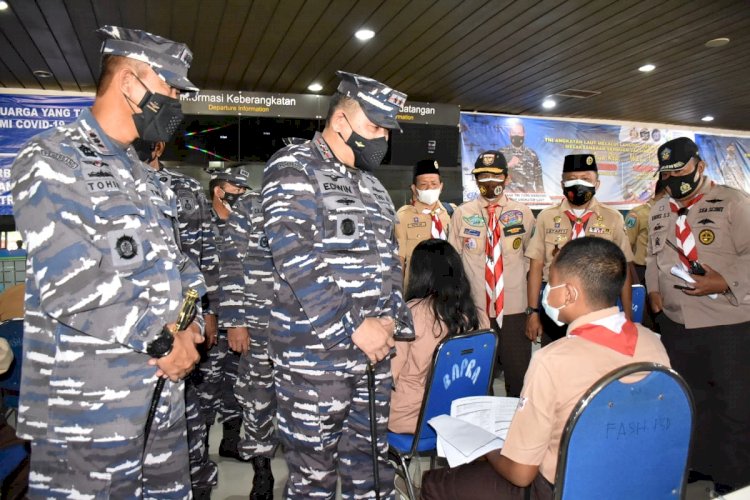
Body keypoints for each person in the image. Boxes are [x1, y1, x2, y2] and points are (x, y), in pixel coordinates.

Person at [10, 25, 205, 498]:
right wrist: (163, 342)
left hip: (160, 394)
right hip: (89, 407)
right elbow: (71, 283)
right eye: (170, 88)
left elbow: (182, 268)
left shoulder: (145, 175)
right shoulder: (53, 158)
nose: (176, 101)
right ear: (129, 83)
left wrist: (191, 324)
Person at [421, 237, 671, 500]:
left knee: (435, 483)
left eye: (550, 283)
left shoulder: (552, 360)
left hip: (564, 488)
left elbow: (521, 474)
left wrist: (488, 450)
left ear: (569, 293)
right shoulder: (652, 345)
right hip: (634, 482)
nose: (545, 292)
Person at [261, 70, 414, 498]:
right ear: (341, 121)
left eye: (386, 129)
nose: (381, 137)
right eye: (374, 126)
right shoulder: (293, 168)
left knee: (371, 471)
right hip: (315, 360)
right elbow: (294, 257)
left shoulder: (374, 188)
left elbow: (390, 264)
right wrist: (356, 326)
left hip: (373, 358)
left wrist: (388, 323)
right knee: (314, 477)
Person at [646, 137, 750, 493]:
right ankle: (701, 466)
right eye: (668, 173)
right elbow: (652, 258)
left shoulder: (734, 202)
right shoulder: (661, 210)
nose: (675, 179)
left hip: (727, 324)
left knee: (733, 408)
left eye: (681, 171)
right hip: (677, 326)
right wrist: (655, 291)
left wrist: (725, 280)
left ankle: (735, 480)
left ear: (699, 165)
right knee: (691, 401)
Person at [135, 139, 219, 499]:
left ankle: (197, 478)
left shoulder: (182, 188)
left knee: (190, 412)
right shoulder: (111, 179)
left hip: (185, 317)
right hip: (138, 331)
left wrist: (205, 313)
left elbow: (199, 252)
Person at [448, 151, 535, 397]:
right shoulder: (462, 214)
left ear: (506, 179)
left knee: (518, 380)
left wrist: (532, 310)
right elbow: (453, 263)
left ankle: (516, 431)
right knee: (476, 380)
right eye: (482, 176)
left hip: (514, 311)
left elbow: (533, 262)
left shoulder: (523, 213)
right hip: (474, 311)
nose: (488, 182)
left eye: (494, 176)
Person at [525, 154, 634, 345]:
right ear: (562, 184)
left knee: (597, 368)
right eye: (571, 179)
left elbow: (623, 270)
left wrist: (628, 316)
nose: (578, 184)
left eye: (585, 179)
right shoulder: (546, 217)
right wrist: (533, 312)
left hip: (600, 313)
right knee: (557, 366)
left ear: (597, 184)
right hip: (555, 311)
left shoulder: (613, 218)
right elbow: (536, 267)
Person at [389, 239, 485, 434]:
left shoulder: (410, 314)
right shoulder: (478, 317)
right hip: (459, 417)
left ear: (419, 274)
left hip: (412, 418)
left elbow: (390, 375)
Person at [219, 187, 277, 499]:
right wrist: (235, 321)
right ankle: (262, 472)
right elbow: (230, 263)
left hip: (305, 327)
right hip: (258, 323)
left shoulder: (312, 200)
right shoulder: (251, 206)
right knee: (258, 398)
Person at [195, 166, 250, 461]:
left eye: (243, 190)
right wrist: (206, 314)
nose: (240, 194)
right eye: (236, 189)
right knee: (207, 385)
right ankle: (199, 451)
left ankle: (230, 442)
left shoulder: (245, 226)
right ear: (219, 190)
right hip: (211, 320)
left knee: (236, 384)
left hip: (239, 321)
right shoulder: (203, 224)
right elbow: (196, 274)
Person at [395, 159, 454, 285]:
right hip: (417, 289)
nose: (430, 188)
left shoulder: (453, 213)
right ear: (414, 189)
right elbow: (399, 260)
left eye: (434, 183)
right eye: (423, 184)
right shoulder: (403, 216)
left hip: (448, 289)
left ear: (441, 186)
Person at [500, 123, 544, 193]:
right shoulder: (501, 153)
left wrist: (541, 194)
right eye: (514, 133)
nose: (516, 135)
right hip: (508, 196)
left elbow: (538, 177)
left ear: (524, 134)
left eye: (519, 133)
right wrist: (508, 165)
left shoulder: (532, 154)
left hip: (528, 196)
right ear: (509, 134)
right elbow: (494, 174)